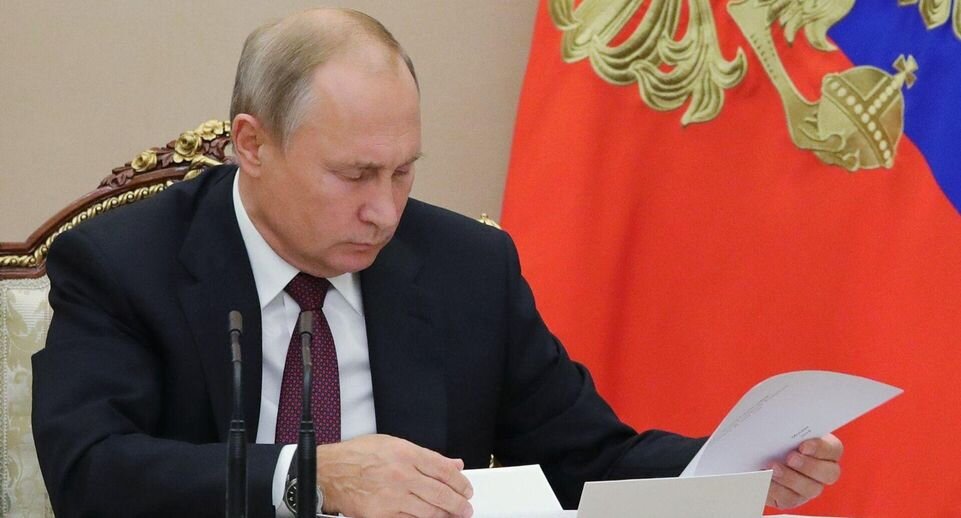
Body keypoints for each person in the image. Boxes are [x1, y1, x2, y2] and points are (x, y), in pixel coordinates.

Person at [32, 7, 842, 518]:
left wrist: (730, 471)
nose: (385, 211)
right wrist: (314, 477)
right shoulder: (121, 265)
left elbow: (585, 460)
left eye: (403, 172)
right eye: (354, 175)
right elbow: (91, 473)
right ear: (253, 144)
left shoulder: (467, 267)